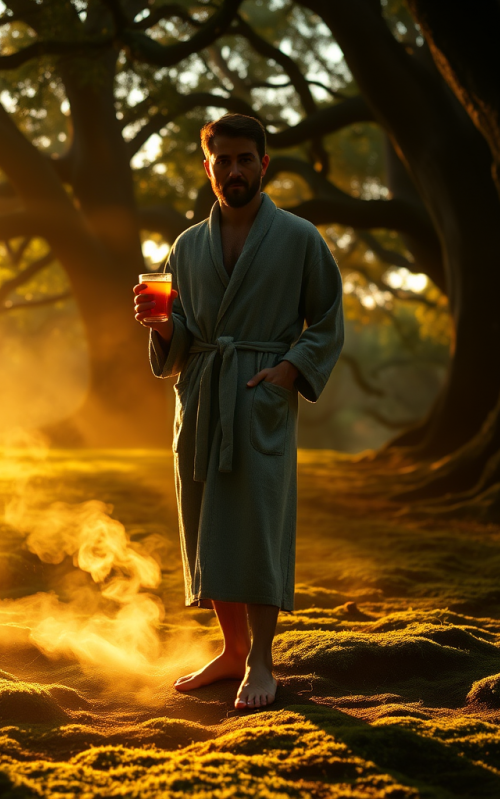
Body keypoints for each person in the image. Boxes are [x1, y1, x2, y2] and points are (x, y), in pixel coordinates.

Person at [133, 114, 344, 710]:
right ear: (208, 168)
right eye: (221, 161)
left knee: (257, 525)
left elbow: (327, 319)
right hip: (203, 393)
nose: (233, 171)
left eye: (244, 159)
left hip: (258, 393)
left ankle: (262, 662)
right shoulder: (187, 245)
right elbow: (185, 336)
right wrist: (162, 326)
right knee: (209, 526)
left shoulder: (300, 239)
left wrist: (290, 370)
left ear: (263, 164)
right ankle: (230, 650)